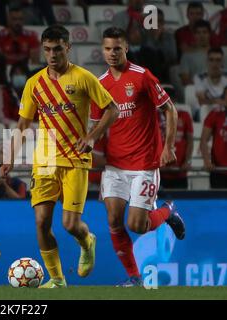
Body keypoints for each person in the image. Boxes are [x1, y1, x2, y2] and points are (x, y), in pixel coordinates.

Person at [1, 25, 119, 288]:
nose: (52, 55)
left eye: (57, 49)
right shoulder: (34, 83)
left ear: (68, 47)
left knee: (69, 224)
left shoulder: (84, 78)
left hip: (75, 160)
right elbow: (22, 125)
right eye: (47, 50)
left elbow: (113, 109)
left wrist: (91, 136)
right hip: (44, 161)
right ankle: (57, 279)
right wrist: (9, 157)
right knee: (41, 222)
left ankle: (87, 241)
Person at [90, 27, 186, 287]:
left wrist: (168, 146)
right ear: (102, 49)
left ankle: (168, 211)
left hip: (144, 163)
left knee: (137, 225)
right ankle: (134, 277)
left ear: (126, 48)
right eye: (108, 48)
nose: (112, 53)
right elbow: (97, 127)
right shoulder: (99, 85)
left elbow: (170, 110)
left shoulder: (142, 76)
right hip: (114, 165)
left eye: (117, 48)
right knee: (112, 219)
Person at [159, 108, 194, 189]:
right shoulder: (154, 115)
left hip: (180, 173)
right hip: (159, 174)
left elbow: (190, 141)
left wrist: (187, 161)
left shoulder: (185, 115)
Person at [194, 47, 227, 121]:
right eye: (211, 60)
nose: (214, 63)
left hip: (223, 112)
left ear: (222, 61)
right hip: (205, 111)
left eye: (218, 60)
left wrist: (212, 101)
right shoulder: (199, 77)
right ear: (207, 61)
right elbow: (202, 101)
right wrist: (220, 101)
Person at [200, 102, 227, 189]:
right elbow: (204, 140)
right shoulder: (215, 114)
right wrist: (207, 161)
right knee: (217, 201)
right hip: (218, 170)